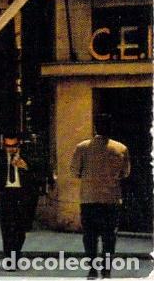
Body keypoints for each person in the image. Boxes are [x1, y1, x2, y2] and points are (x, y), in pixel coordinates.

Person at [70, 114, 131, 280]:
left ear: (95, 127)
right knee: (109, 237)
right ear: (110, 128)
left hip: (89, 199)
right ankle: (106, 270)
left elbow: (74, 171)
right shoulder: (121, 148)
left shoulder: (82, 147)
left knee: (90, 236)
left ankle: (92, 270)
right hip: (111, 199)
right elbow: (125, 172)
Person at [0, 130, 39, 264]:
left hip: (22, 194)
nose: (11, 149)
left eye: (13, 146)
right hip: (5, 194)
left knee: (20, 228)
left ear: (18, 145)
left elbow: (37, 176)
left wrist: (25, 167)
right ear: (4, 145)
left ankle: (16, 253)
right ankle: (9, 258)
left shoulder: (27, 156)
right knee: (7, 228)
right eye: (8, 146)